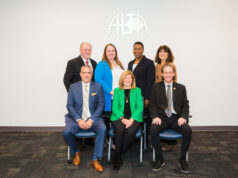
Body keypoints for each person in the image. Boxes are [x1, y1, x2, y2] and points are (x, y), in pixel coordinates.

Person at [149, 63, 192, 174]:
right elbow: (152, 105)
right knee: (153, 129)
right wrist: (155, 117)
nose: (168, 74)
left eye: (170, 72)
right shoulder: (155, 87)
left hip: (175, 118)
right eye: (165, 72)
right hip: (161, 118)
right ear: (162, 74)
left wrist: (183, 117)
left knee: (187, 130)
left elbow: (185, 105)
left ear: (173, 74)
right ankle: (159, 158)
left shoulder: (181, 88)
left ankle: (182, 159)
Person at [63, 66, 106, 172]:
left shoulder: (98, 87)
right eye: (84, 72)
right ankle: (76, 152)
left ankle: (96, 159)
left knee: (103, 129)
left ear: (92, 75)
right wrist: (79, 119)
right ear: (80, 74)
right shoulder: (73, 87)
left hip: (93, 118)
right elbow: (69, 105)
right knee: (66, 132)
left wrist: (91, 120)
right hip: (76, 119)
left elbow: (101, 105)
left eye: (89, 73)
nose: (87, 75)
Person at [110, 70, 143, 170]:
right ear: (122, 79)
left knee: (131, 131)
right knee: (119, 130)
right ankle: (117, 158)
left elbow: (140, 107)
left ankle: (118, 151)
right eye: (125, 78)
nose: (127, 80)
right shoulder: (117, 91)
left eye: (129, 78)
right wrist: (123, 119)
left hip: (134, 117)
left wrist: (132, 119)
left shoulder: (137, 90)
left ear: (132, 80)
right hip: (118, 117)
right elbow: (114, 108)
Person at [128, 41, 155, 147]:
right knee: (134, 116)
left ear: (143, 50)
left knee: (145, 117)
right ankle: (135, 139)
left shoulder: (149, 63)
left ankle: (145, 140)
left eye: (139, 49)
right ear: (133, 50)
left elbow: (150, 81)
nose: (137, 51)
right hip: (132, 96)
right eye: (135, 49)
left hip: (144, 95)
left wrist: (147, 98)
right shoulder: (130, 63)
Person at [95, 44, 124, 127]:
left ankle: (116, 139)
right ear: (105, 53)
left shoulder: (118, 64)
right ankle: (108, 139)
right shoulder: (102, 64)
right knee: (108, 121)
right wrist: (110, 91)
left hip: (119, 97)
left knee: (119, 121)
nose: (111, 52)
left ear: (115, 52)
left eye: (113, 50)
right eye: (109, 51)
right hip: (109, 97)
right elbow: (98, 79)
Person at [154, 45, 178, 151]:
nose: (162, 54)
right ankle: (160, 141)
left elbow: (174, 82)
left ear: (168, 54)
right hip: (158, 94)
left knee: (169, 116)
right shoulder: (157, 66)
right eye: (160, 52)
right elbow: (155, 81)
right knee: (160, 117)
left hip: (168, 93)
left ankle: (170, 143)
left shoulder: (172, 65)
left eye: (164, 52)